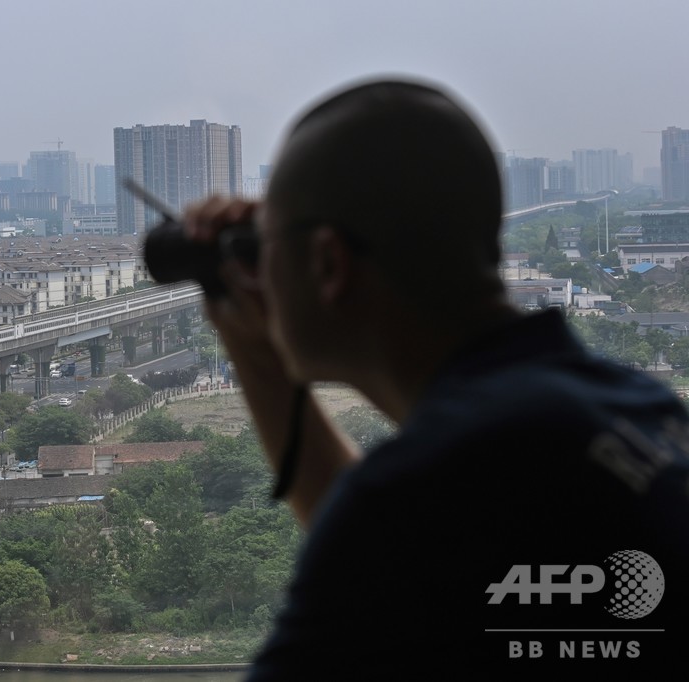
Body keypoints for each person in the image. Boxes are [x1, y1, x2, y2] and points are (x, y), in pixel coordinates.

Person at [184, 78, 689, 678]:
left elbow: (390, 534)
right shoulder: (635, 406)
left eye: (264, 246)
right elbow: (391, 565)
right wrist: (258, 355)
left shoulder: (425, 492)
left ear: (328, 263)